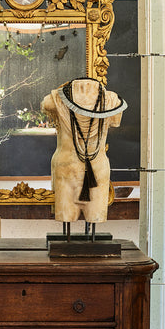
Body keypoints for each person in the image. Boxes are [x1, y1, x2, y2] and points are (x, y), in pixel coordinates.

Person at [42, 77, 126, 224]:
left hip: (74, 168)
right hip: (91, 168)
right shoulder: (113, 100)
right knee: (69, 220)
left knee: (88, 219)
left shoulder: (54, 98)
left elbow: (45, 104)